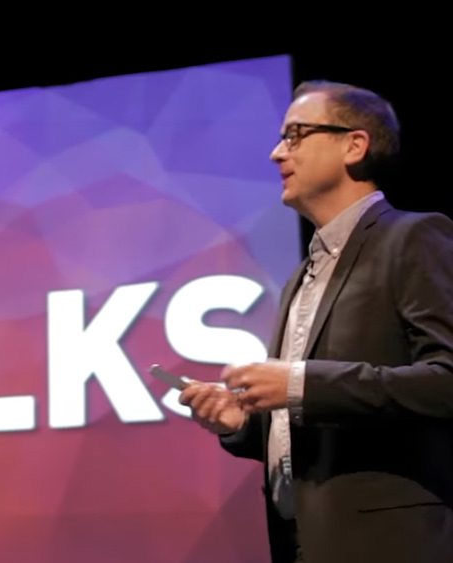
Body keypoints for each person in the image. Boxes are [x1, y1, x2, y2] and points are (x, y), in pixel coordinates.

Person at [179, 81, 453, 563]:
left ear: (354, 145)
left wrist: (300, 384)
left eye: (296, 134)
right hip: (302, 541)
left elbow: (445, 382)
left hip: (390, 541)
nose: (276, 153)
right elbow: (314, 424)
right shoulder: (301, 276)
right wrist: (244, 424)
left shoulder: (414, 237)